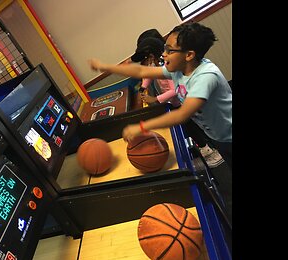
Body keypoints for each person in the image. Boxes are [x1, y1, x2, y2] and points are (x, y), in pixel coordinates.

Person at [88, 22, 232, 170]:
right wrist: (105, 66)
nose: (163, 54)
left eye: (169, 50)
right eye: (165, 49)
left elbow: (181, 114)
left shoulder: (205, 77)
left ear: (189, 55)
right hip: (217, 134)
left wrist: (142, 127)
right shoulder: (177, 69)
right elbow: (141, 72)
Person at [131, 30, 224, 168]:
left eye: (146, 58)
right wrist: (143, 87)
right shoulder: (154, 63)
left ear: (151, 54)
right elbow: (148, 76)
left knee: (193, 127)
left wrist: (156, 99)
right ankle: (203, 147)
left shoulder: (168, 65)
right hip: (175, 102)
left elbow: (175, 89)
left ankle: (210, 152)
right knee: (188, 128)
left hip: (183, 102)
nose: (146, 62)